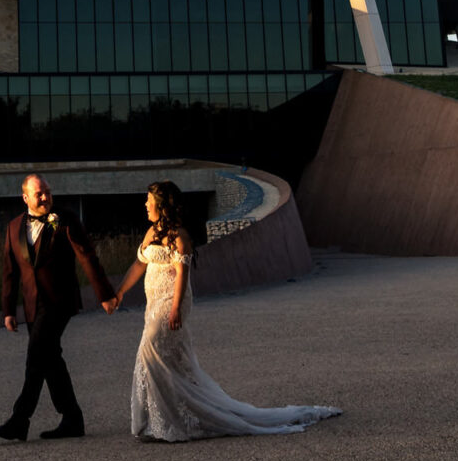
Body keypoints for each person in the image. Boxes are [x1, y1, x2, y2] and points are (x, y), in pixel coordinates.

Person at [106, 180, 341, 442]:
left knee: (151, 350)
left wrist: (175, 309)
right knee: (160, 359)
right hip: (153, 303)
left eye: (149, 201)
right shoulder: (151, 232)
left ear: (161, 206)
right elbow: (138, 265)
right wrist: (120, 292)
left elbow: (182, 275)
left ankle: (172, 420)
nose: (145, 204)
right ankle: (159, 419)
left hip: (171, 301)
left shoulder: (180, 236)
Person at [0, 172, 117, 442]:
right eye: (39, 194)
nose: (45, 197)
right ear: (25, 197)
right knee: (50, 360)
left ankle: (19, 420)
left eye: (48, 192)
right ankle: (72, 418)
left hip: (60, 302)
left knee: (36, 356)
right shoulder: (13, 227)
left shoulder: (65, 218)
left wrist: (105, 294)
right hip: (32, 306)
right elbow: (10, 272)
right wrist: (8, 310)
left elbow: (87, 255)